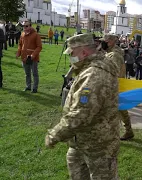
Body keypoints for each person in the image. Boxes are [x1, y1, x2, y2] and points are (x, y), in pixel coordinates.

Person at [45, 33, 120, 179]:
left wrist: (54, 135)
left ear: (84, 52)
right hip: (81, 141)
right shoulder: (88, 68)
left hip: (99, 146)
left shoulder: (94, 75)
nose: (70, 56)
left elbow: (81, 114)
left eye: (72, 53)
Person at [100, 34, 134, 141]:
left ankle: (122, 131)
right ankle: (128, 131)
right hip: (115, 86)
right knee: (121, 110)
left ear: (110, 42)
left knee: (117, 110)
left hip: (114, 87)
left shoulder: (114, 55)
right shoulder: (111, 53)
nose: (102, 43)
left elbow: (112, 72)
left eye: (104, 41)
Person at [16, 20, 42, 93]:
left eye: (26, 26)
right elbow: (20, 44)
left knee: (34, 73)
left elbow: (39, 47)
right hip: (24, 57)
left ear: (30, 26)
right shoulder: (22, 34)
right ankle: (28, 86)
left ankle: (35, 88)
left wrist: (32, 55)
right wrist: (18, 52)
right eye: (24, 26)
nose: (25, 27)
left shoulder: (36, 35)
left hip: (33, 58)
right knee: (27, 73)